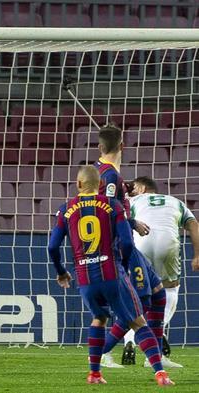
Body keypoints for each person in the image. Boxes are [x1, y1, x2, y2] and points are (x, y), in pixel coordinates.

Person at [48, 165, 173, 386]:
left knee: (99, 319)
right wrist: (122, 265)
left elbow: (52, 247)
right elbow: (126, 242)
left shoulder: (65, 209)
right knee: (138, 322)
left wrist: (61, 272)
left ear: (78, 184)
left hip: (85, 278)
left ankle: (94, 373)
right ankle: (160, 374)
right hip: (112, 274)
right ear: (102, 185)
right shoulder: (113, 205)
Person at [92, 125, 166, 368]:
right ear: (123, 146)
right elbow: (108, 209)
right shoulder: (111, 175)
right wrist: (132, 221)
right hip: (120, 245)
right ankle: (101, 354)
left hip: (126, 245)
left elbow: (103, 201)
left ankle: (154, 355)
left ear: (100, 147)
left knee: (158, 293)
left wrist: (124, 189)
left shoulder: (100, 171)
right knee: (139, 305)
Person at [126, 176, 199, 367]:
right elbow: (193, 224)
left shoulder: (132, 201)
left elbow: (119, 220)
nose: (131, 191)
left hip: (141, 243)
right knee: (170, 288)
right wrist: (197, 255)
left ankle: (129, 340)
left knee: (135, 295)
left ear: (141, 188)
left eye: (133, 188)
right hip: (168, 244)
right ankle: (156, 345)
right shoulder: (176, 201)